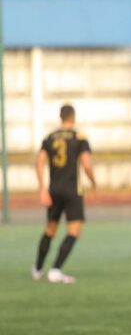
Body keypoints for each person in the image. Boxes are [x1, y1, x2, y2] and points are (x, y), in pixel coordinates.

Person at [32, 104, 96, 284]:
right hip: (72, 190)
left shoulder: (49, 137)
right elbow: (86, 164)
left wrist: (42, 189)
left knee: (50, 229)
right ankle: (55, 269)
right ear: (73, 117)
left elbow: (39, 162)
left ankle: (37, 269)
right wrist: (93, 182)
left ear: (61, 117)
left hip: (53, 190)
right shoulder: (79, 137)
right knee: (74, 230)